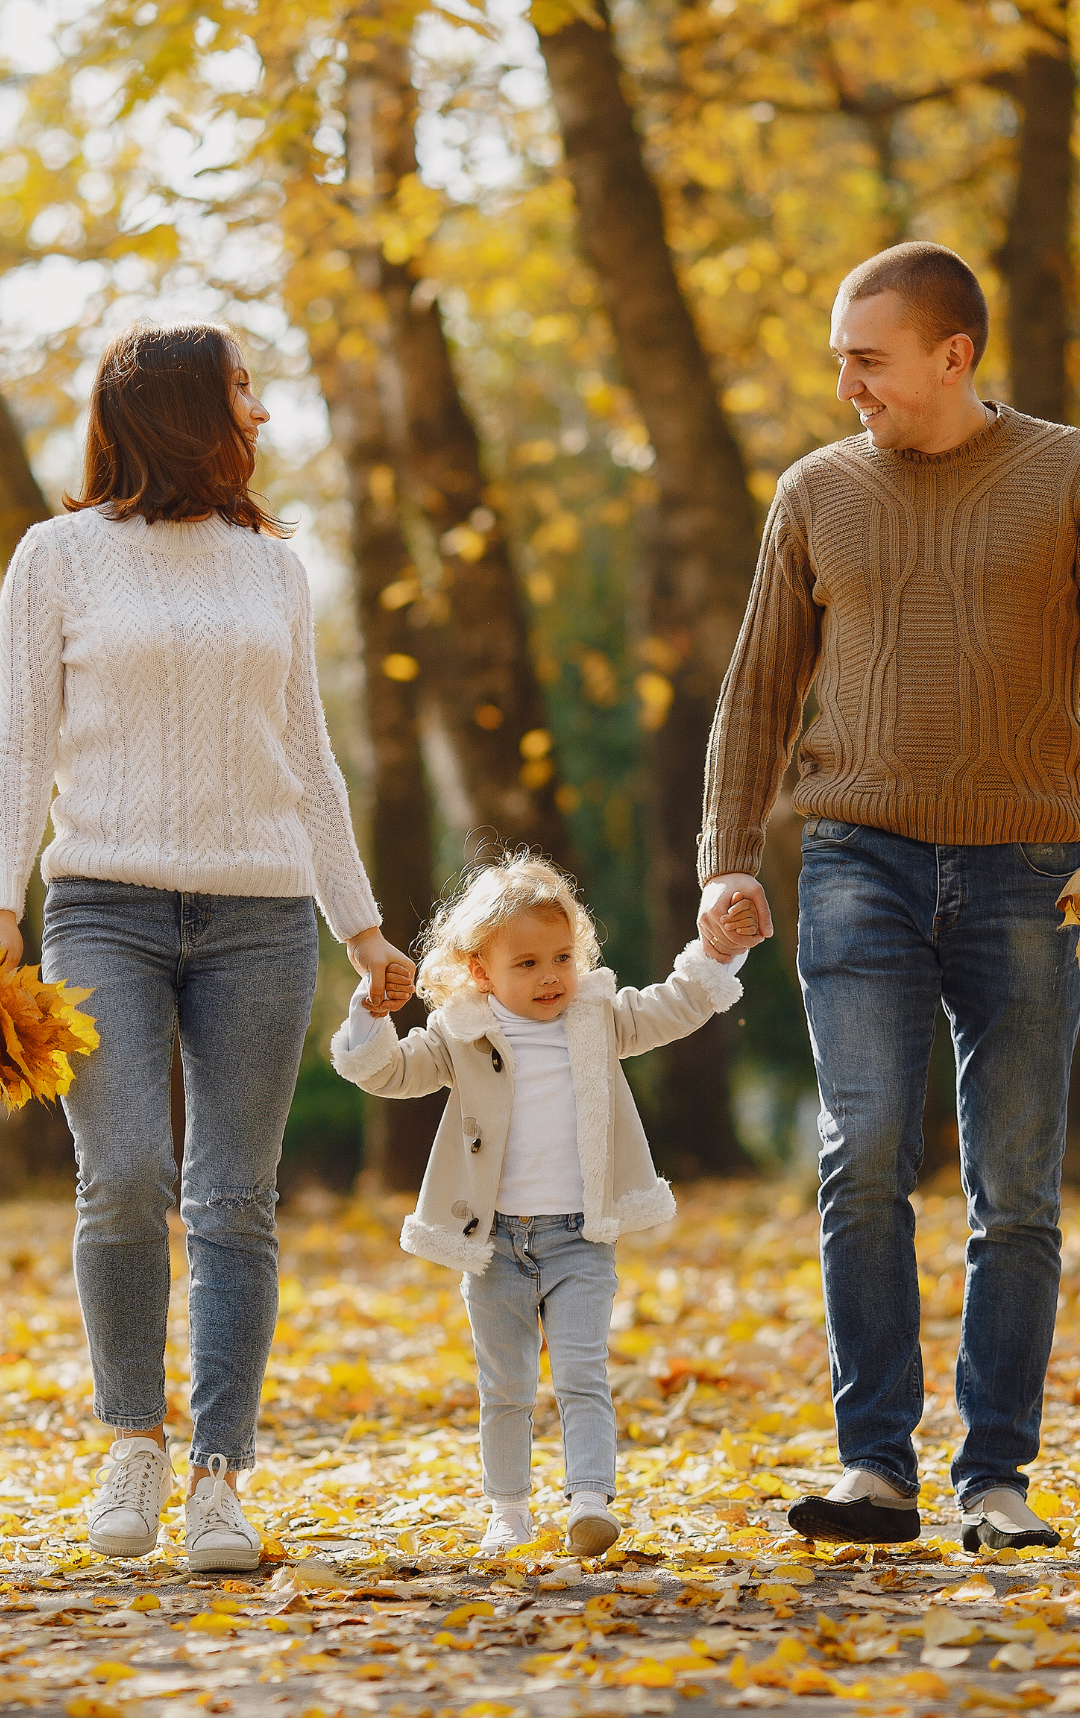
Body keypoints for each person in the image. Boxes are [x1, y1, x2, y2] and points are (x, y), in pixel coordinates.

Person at [0, 321, 414, 1571]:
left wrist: (362, 923)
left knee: (231, 1201)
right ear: (179, 409)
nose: (261, 415)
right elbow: (20, 744)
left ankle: (219, 1477)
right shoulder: (57, 557)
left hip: (261, 918)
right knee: (123, 1175)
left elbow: (311, 759)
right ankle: (133, 1439)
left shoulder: (269, 565)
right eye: (242, 391)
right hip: (103, 906)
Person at [697, 240, 1080, 1554]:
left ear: (952, 354)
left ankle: (995, 1476)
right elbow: (759, 688)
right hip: (856, 854)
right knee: (862, 1153)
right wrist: (727, 855)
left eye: (868, 357)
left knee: (1015, 1187)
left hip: (1029, 869)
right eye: (838, 359)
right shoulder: (815, 491)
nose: (846, 381)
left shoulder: (1064, 475)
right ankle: (876, 1467)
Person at [331, 853, 749, 1553]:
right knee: (507, 1386)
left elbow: (677, 1005)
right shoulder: (459, 1034)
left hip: (579, 1238)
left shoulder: (598, 1017)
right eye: (525, 964)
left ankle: (589, 1500)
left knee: (583, 1373)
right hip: (491, 1245)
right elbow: (390, 1074)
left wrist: (717, 953)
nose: (550, 975)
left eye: (561, 956)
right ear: (479, 971)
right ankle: (509, 1511)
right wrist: (369, 1017)